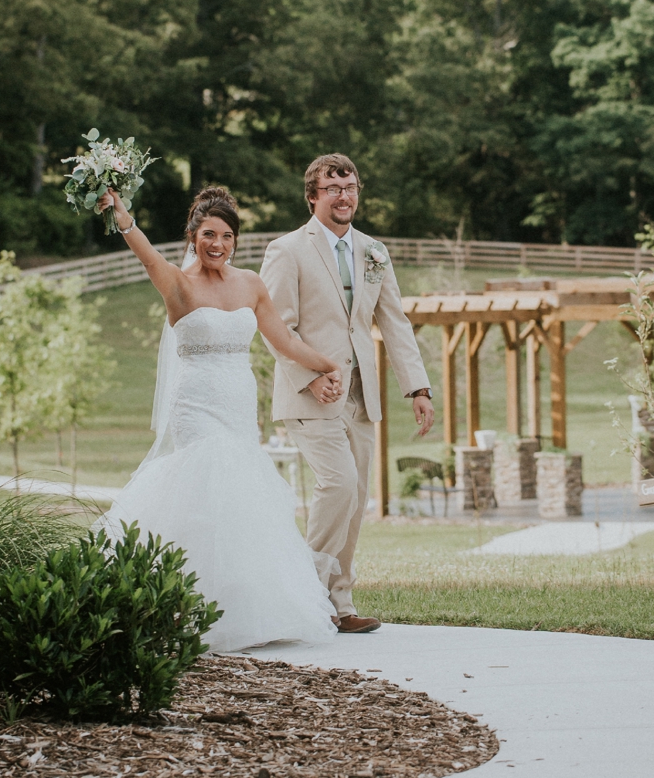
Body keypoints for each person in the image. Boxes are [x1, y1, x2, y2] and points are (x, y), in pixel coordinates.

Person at [94, 185, 340, 651]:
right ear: (192, 235)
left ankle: (244, 608)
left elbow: (284, 342)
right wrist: (123, 216)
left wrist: (326, 364)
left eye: (227, 236)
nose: (218, 244)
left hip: (239, 403)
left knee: (241, 493)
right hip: (197, 404)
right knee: (206, 484)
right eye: (209, 234)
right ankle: (180, 603)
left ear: (235, 241)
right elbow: (147, 257)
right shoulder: (177, 284)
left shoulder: (251, 284)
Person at [259, 155, 432, 635]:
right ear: (312, 196)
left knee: (356, 499)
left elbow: (394, 322)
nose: (343, 196)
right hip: (309, 393)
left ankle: (341, 603)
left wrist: (417, 387)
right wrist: (310, 374)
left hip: (361, 395)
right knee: (339, 485)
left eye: (350, 186)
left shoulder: (374, 251)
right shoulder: (287, 249)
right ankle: (304, 591)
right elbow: (275, 327)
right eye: (332, 188)